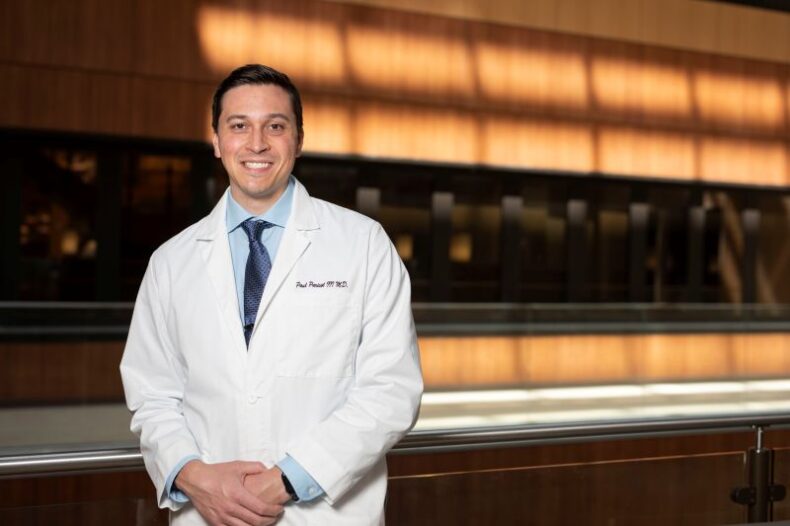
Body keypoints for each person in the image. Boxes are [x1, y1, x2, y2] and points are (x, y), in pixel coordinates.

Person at [120, 64, 423, 526]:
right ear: (217, 141)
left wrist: (286, 479)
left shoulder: (363, 244)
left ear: (298, 140)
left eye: (275, 126)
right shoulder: (171, 261)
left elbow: (391, 390)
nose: (257, 143)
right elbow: (152, 394)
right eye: (239, 126)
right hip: (209, 513)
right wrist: (193, 475)